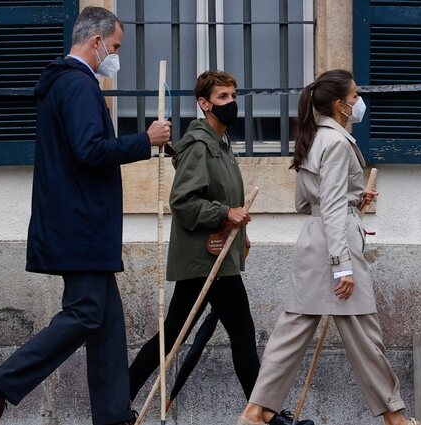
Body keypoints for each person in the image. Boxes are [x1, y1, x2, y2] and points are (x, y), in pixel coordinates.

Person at [0, 7, 172, 425]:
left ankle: (113, 415)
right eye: (114, 47)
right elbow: (89, 150)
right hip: (81, 228)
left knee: (107, 325)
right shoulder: (78, 85)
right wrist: (144, 140)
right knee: (87, 313)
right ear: (96, 42)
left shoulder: (65, 83)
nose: (115, 56)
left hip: (78, 226)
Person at [237, 69, 421, 425]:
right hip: (335, 241)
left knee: (294, 331)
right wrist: (341, 262)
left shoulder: (314, 138)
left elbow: (306, 202)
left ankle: (256, 411)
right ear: (341, 105)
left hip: (317, 237)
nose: (359, 102)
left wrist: (353, 196)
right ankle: (396, 419)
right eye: (355, 96)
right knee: (363, 333)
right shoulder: (338, 142)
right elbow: (329, 204)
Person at [127, 70, 310, 425]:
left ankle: (120, 398)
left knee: (185, 335)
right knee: (228, 335)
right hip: (203, 259)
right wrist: (226, 212)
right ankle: (266, 416)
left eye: (233, 95)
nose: (231, 103)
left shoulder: (220, 143)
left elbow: (220, 197)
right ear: (204, 103)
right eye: (222, 97)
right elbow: (182, 202)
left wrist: (237, 231)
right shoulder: (200, 145)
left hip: (218, 255)